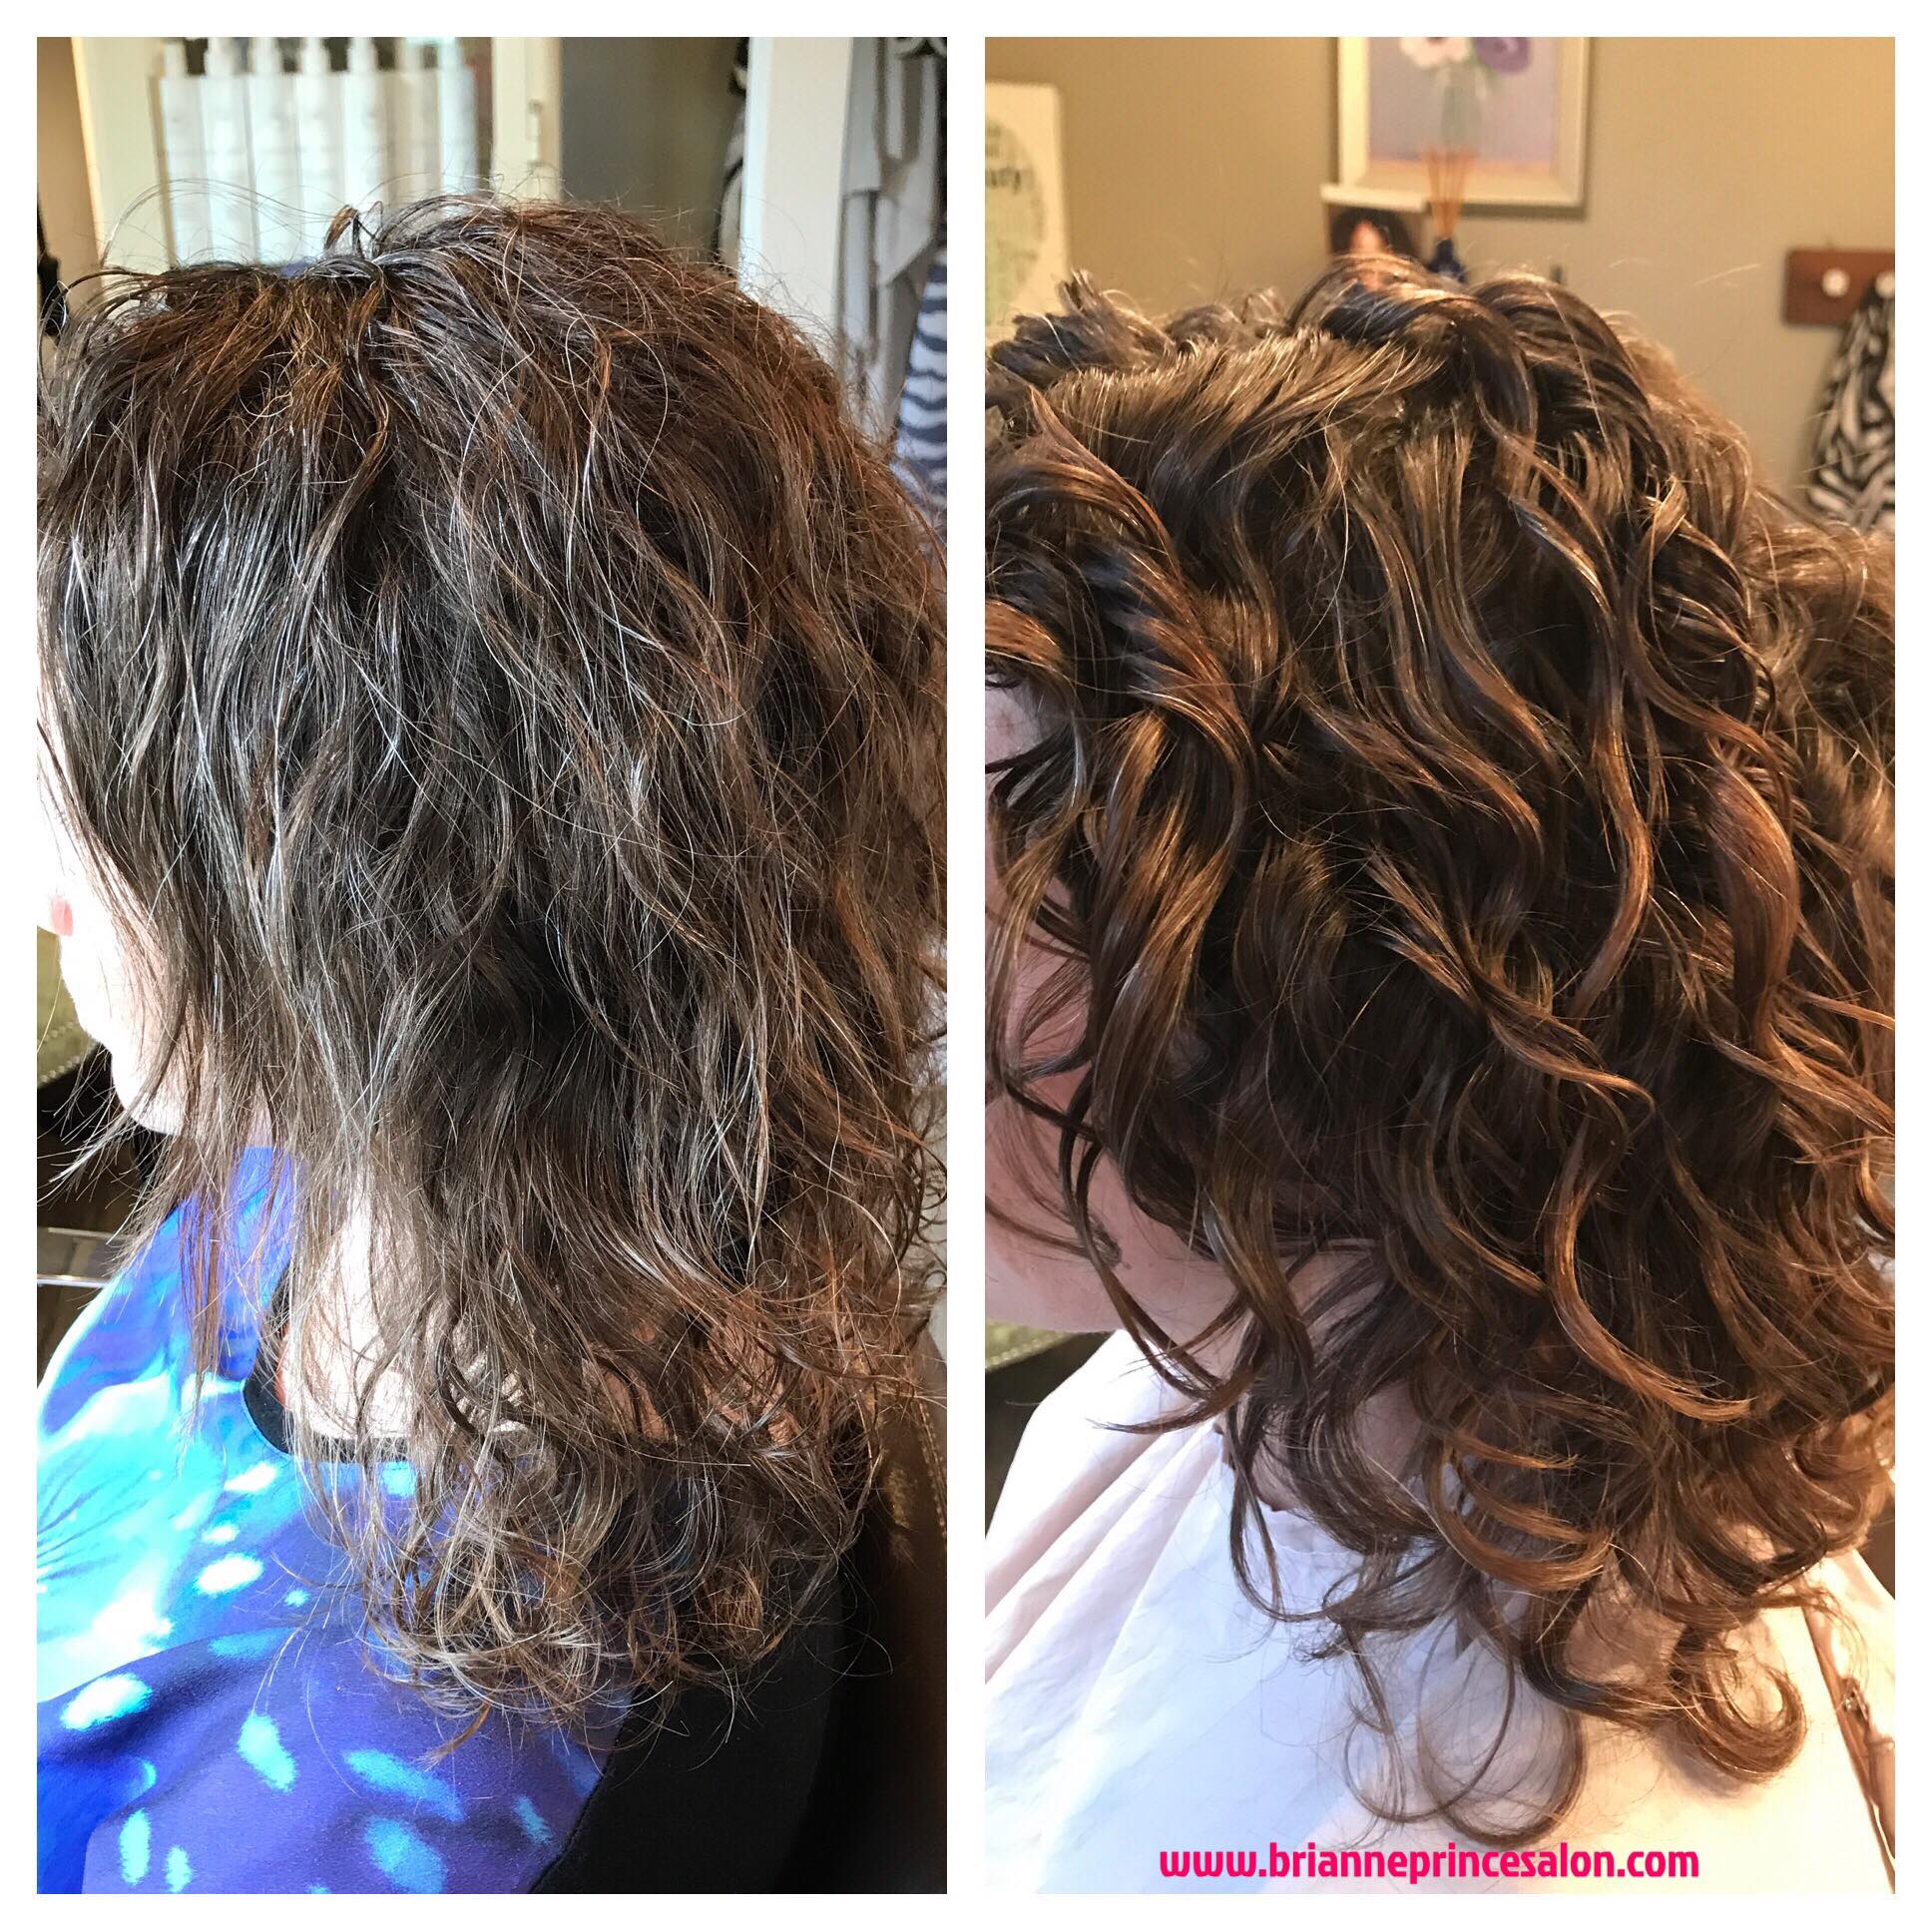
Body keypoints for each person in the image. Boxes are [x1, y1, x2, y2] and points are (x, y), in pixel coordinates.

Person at [37, 197, 944, 1893]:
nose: (42, 888)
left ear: (373, 888)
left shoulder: (386, 1822)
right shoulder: (347, 1158)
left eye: (84, 793)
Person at [984, 262, 1893, 1891]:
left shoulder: (1603, 1869)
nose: (906, 962)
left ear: (1332, 1011)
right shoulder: (1172, 1386)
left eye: (1014, 848)